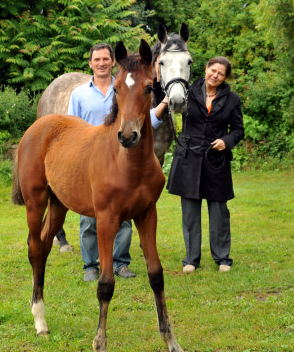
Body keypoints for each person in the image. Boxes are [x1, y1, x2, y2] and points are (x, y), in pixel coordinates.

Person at [67, 42, 169, 282]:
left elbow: (139, 118)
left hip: (122, 159)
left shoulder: (128, 83)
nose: (101, 63)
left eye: (105, 59)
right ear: (90, 63)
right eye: (97, 59)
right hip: (91, 158)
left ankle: (121, 262)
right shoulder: (80, 94)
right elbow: (72, 125)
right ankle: (91, 265)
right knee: (91, 217)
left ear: (113, 62)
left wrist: (164, 105)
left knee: (124, 218)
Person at [167, 56, 244, 273]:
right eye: (213, 70)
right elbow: (168, 104)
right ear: (206, 69)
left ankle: (222, 258)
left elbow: (238, 130)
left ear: (225, 77)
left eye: (221, 73)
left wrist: (226, 142)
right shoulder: (188, 92)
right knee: (190, 212)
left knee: (219, 211)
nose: (215, 75)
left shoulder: (232, 100)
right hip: (188, 158)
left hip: (216, 161)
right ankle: (191, 259)